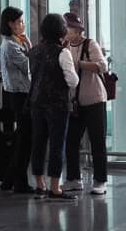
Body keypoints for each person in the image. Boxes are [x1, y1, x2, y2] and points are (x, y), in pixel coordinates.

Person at [28, 13, 78, 201]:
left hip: (36, 103)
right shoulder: (62, 52)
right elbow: (73, 81)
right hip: (57, 104)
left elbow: (31, 75)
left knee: (38, 143)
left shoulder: (33, 51)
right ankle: (55, 188)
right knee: (57, 145)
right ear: (61, 31)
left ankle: (39, 184)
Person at [62, 12, 108, 195]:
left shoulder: (90, 44)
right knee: (71, 141)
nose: (64, 32)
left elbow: (102, 66)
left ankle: (100, 181)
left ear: (76, 30)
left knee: (97, 142)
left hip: (95, 100)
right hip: (75, 103)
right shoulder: (64, 46)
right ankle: (74, 178)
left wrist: (79, 63)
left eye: (67, 28)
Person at [0, 6, 33, 193]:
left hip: (14, 93)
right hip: (19, 94)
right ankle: (19, 182)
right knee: (24, 140)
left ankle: (9, 179)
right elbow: (29, 67)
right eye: (20, 22)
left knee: (20, 138)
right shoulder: (11, 45)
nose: (23, 25)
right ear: (11, 24)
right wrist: (30, 49)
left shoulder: (9, 42)